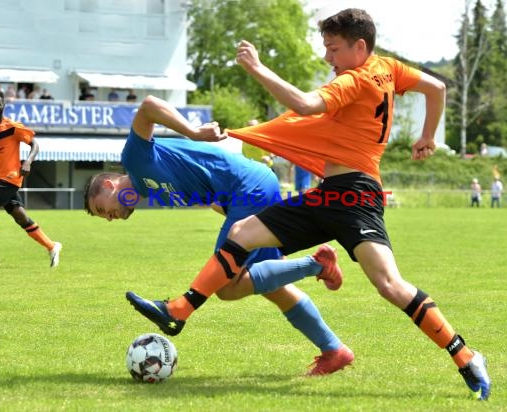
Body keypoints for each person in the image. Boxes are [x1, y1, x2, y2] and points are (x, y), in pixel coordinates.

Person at [125, 9, 491, 400]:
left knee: (389, 285)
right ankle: (178, 310)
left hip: (355, 197)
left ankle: (466, 355)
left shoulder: (355, 79)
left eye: (333, 49)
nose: (327, 58)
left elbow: (303, 105)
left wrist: (257, 68)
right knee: (241, 232)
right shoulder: (389, 68)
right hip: (330, 193)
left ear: (359, 46)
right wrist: (427, 137)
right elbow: (436, 88)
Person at [83, 95, 354, 376]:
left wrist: (193, 131)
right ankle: (334, 349)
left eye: (104, 208)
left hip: (248, 187)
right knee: (271, 287)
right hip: (250, 191)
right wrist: (256, 234)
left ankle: (316, 265)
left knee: (225, 286)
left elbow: (149, 106)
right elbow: (212, 195)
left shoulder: (134, 160)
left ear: (109, 183)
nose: (110, 216)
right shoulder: (154, 189)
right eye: (105, 217)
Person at [0, 88, 62, 268]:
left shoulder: (13, 127)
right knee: (21, 218)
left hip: (11, 178)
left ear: (3, 105)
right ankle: (52, 246)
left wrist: (28, 161)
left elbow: (35, 144)